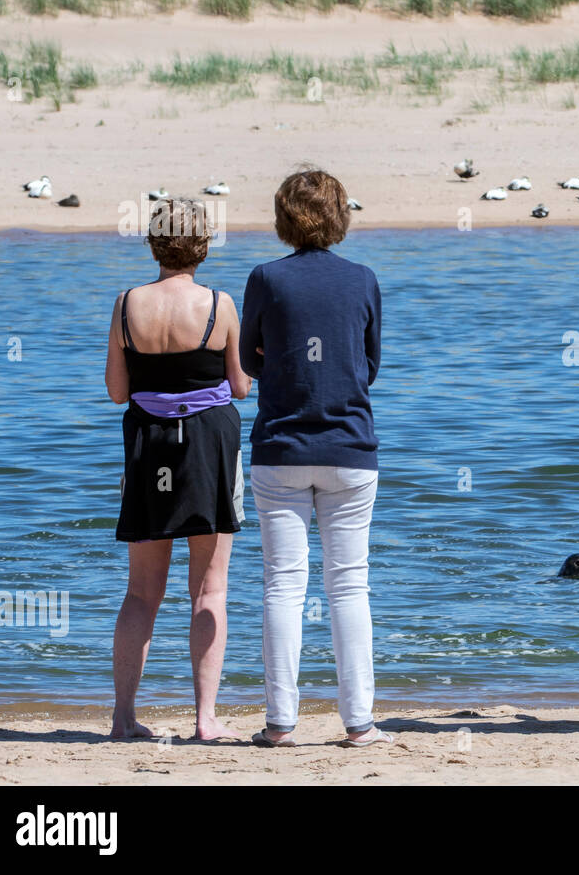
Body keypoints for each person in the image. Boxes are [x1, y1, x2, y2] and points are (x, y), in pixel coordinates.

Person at [239, 169, 387, 748]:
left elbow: (251, 363)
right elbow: (369, 365)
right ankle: (360, 724)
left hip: (280, 446)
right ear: (339, 217)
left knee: (283, 585)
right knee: (349, 586)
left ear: (283, 220)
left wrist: (278, 363)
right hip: (350, 447)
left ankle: (280, 723)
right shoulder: (362, 279)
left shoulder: (265, 279)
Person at [105, 198, 249, 741]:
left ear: (152, 243)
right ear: (204, 245)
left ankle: (122, 718)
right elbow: (238, 386)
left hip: (147, 445)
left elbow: (119, 391)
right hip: (208, 447)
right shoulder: (219, 303)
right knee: (209, 590)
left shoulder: (126, 304)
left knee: (141, 592)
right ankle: (205, 720)